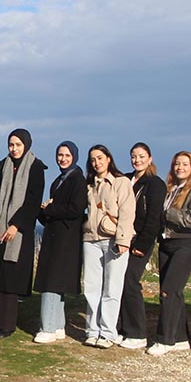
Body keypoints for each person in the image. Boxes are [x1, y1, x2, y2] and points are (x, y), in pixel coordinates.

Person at [0, 129, 47, 338]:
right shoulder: (2, 166)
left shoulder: (35, 168)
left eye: (18, 144)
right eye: (11, 145)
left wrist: (16, 225)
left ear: (26, 145)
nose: (14, 149)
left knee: (9, 278)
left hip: (18, 232)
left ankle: (6, 326)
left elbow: (33, 200)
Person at [149, 151, 191, 356]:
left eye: (184, 164)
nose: (180, 168)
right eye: (177, 164)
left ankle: (165, 339)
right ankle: (181, 337)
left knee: (169, 291)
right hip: (167, 242)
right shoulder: (170, 189)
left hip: (186, 243)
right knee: (173, 291)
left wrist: (168, 214)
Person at [80, 145, 136, 348]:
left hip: (113, 239)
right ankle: (93, 330)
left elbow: (128, 212)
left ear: (109, 159)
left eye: (100, 158)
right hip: (91, 239)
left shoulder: (121, 182)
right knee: (92, 287)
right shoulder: (89, 185)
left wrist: (123, 239)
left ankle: (108, 332)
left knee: (112, 287)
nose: (97, 162)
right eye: (93, 159)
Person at [33, 141, 87, 343]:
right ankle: (57, 325)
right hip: (56, 235)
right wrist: (43, 211)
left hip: (67, 237)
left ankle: (47, 328)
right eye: (60, 155)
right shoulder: (59, 180)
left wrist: (49, 209)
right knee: (56, 280)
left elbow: (76, 209)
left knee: (52, 281)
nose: (63, 159)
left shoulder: (78, 180)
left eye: (67, 155)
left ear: (74, 156)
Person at [117, 143, 167, 350]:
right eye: (134, 156)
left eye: (141, 156)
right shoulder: (126, 180)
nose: (137, 160)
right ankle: (120, 328)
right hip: (121, 238)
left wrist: (144, 243)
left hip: (139, 240)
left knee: (130, 280)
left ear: (150, 158)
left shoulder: (155, 184)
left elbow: (154, 217)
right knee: (118, 281)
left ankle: (137, 333)